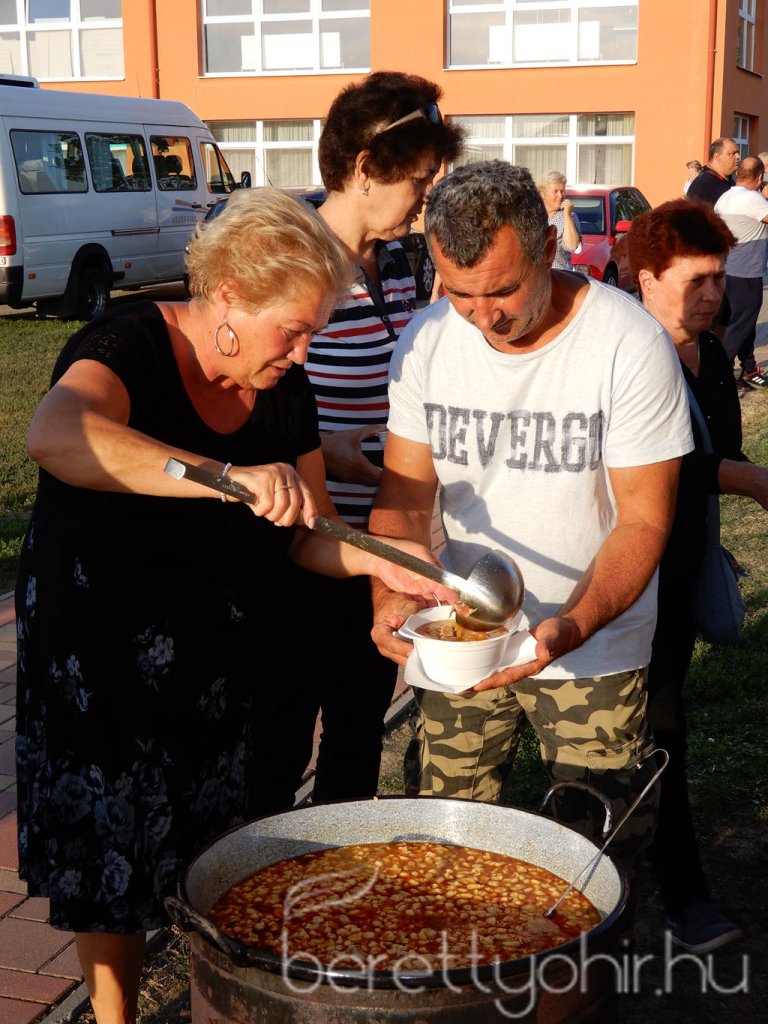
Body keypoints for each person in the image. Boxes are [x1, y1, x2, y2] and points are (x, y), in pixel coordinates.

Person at [14, 188, 455, 1024]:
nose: (303, 349)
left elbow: (307, 535)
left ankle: (218, 993)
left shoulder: (285, 388)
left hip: (214, 649)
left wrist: (386, 564)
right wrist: (224, 478)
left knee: (210, 839)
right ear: (228, 297)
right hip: (98, 650)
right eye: (292, 329)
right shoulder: (127, 345)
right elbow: (56, 434)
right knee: (111, 853)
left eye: (314, 330)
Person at [368, 161, 693, 882]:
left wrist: (571, 626)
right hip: (465, 631)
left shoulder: (628, 344)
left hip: (592, 644)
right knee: (447, 836)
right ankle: (461, 950)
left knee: (593, 853)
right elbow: (406, 496)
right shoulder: (426, 341)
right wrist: (389, 594)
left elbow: (643, 522)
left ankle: (581, 961)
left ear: (548, 248)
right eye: (460, 293)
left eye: (503, 291)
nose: (484, 317)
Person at [248, 72, 463, 813]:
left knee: (359, 720)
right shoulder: (289, 259)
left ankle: (340, 863)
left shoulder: (398, 258)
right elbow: (248, 393)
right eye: (419, 179)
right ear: (366, 169)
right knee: (278, 732)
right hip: (298, 536)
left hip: (376, 533)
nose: (425, 197)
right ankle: (263, 863)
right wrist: (322, 446)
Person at [627, 197, 766, 952]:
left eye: (718, 278)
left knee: (662, 726)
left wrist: (731, 488)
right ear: (647, 278)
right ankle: (679, 894)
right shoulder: (624, 354)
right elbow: (662, 468)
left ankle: (670, 889)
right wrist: (746, 480)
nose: (714, 294)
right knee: (654, 730)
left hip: (678, 573)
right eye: (696, 280)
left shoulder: (709, 354)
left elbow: (720, 454)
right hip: (622, 577)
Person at [714, 156, 768, 395]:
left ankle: (749, 368)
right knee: (740, 326)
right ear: (760, 176)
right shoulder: (753, 199)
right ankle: (720, 377)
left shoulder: (725, 197)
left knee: (742, 323)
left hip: (728, 270)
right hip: (747, 274)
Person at [537, 169, 582, 270]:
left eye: (563, 191)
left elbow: (572, 246)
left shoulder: (570, 216)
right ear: (542, 194)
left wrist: (567, 215)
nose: (560, 196)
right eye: (555, 191)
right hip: (535, 275)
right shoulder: (534, 216)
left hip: (558, 274)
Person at [686, 138, 740, 206]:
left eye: (738, 153)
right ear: (717, 157)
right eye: (733, 153)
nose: (738, 157)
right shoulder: (703, 185)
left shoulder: (728, 180)